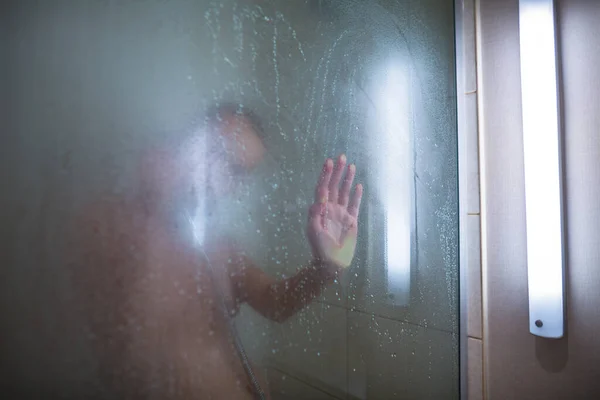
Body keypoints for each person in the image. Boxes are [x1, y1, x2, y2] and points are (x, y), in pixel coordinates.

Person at [70, 104, 363, 399]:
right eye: (217, 153)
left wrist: (325, 268)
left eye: (237, 173)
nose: (219, 179)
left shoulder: (219, 250)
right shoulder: (108, 224)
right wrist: (152, 196)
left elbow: (276, 303)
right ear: (187, 143)